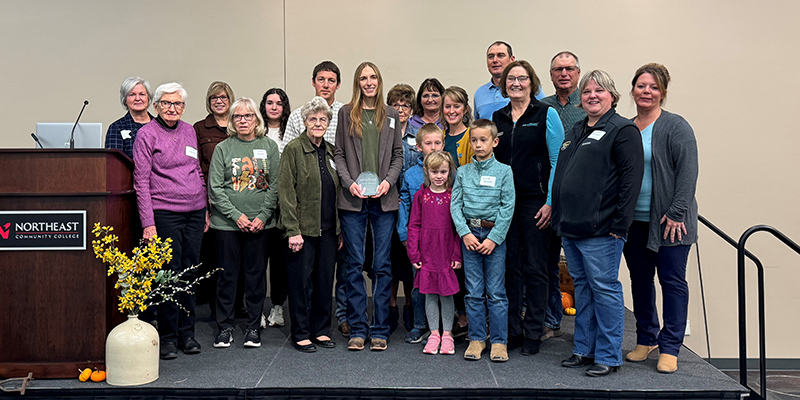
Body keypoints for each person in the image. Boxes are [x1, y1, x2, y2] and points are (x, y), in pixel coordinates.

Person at [552, 70, 644, 377]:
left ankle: (607, 355)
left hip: (603, 230)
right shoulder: (577, 129)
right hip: (572, 227)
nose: (592, 95)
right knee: (584, 290)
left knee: (604, 290)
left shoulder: (622, 130)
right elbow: (564, 175)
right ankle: (584, 349)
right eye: (588, 91)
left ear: (613, 96)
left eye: (599, 91)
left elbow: (631, 182)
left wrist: (620, 224)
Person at [623, 63, 698, 374]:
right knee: (640, 281)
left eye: (653, 87)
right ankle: (646, 338)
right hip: (633, 222)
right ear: (633, 90)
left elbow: (688, 172)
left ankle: (670, 346)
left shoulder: (676, 127)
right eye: (641, 86)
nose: (646, 92)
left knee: (672, 281)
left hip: (671, 222)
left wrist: (676, 211)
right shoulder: (626, 128)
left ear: (663, 93)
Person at [492, 60, 565, 356]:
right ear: (504, 84)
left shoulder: (547, 114)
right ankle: (513, 331)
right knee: (510, 267)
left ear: (532, 83)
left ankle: (534, 330)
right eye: (511, 79)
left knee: (536, 267)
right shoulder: (498, 117)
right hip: (504, 202)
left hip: (536, 201)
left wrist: (550, 202)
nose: (516, 83)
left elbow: (558, 163)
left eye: (522, 78)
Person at [133, 82, 206, 360]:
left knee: (189, 272)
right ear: (156, 106)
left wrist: (205, 206)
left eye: (177, 104)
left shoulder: (189, 130)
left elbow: (196, 169)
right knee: (168, 274)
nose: (172, 108)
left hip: (195, 211)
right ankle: (168, 338)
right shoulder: (146, 134)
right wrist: (147, 222)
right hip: (164, 213)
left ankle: (188, 333)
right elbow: (140, 180)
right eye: (166, 103)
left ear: (184, 107)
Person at [334, 61, 403, 351]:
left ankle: (380, 329)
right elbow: (338, 154)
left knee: (382, 265)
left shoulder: (391, 115)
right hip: (353, 200)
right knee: (353, 265)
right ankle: (358, 329)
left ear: (379, 80)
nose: (368, 82)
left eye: (373, 77)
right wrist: (349, 182)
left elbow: (398, 154)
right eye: (363, 78)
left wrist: (388, 181)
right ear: (357, 82)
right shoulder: (345, 113)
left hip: (384, 201)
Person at [278, 61, 349, 337]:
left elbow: (338, 190)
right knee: (299, 283)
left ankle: (321, 329)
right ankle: (301, 332)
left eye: (323, 120)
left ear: (328, 123)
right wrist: (292, 230)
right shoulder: (294, 150)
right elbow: (285, 192)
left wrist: (340, 229)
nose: (318, 124)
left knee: (323, 282)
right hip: (302, 231)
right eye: (312, 120)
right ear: (304, 122)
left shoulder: (331, 151)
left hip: (329, 231)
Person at [208, 97, 280, 349]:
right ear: (231, 120)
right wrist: (236, 216)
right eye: (237, 116)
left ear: (256, 120)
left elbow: (275, 186)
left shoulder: (269, 146)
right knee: (227, 278)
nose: (242, 121)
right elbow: (215, 189)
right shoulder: (223, 148)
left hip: (261, 226)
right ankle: (225, 327)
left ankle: (252, 327)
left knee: (256, 277)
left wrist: (261, 217)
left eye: (247, 116)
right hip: (227, 225)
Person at [451, 119, 515, 362]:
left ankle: (499, 342)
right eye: (474, 140)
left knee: (496, 291)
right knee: (473, 291)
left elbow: (508, 207)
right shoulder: (463, 172)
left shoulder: (504, 172)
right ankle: (477, 339)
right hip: (469, 237)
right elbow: (455, 204)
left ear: (494, 142)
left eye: (483, 140)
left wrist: (495, 238)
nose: (478, 145)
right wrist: (464, 233)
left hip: (493, 238)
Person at [538, 51, 586, 342]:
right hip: (549, 193)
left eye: (569, 69)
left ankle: (586, 331)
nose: (564, 74)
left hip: (581, 196)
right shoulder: (543, 107)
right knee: (547, 260)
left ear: (578, 73)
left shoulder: (589, 104)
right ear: (551, 75)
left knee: (582, 267)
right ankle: (550, 318)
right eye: (558, 70)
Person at [407, 151, 461, 355]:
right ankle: (434, 334)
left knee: (446, 295)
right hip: (427, 253)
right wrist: (414, 253)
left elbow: (458, 228)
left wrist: (457, 255)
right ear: (426, 172)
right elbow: (414, 225)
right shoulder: (421, 196)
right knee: (429, 294)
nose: (439, 176)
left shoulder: (453, 196)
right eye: (435, 172)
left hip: (446, 253)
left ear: (450, 172)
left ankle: (447, 335)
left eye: (443, 172)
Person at [398, 124, 445, 344]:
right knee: (419, 283)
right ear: (418, 146)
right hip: (418, 239)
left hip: (443, 239)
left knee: (443, 282)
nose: (433, 147)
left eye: (437, 143)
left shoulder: (449, 171)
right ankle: (420, 324)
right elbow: (404, 206)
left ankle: (442, 327)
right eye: (428, 143)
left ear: (443, 144)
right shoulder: (410, 174)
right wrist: (405, 236)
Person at [193, 81, 235, 319]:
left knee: (235, 257)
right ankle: (214, 307)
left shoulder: (238, 125)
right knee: (213, 258)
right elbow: (197, 167)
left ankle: (235, 305)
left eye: (223, 97)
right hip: (211, 200)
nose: (219, 101)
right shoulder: (199, 128)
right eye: (214, 98)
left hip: (239, 200)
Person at [386, 83, 419, 333]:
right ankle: (390, 306)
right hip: (386, 203)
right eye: (396, 104)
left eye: (405, 104)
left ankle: (408, 304)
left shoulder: (418, 133)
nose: (401, 109)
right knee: (388, 258)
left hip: (412, 207)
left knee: (409, 258)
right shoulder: (383, 132)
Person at [259, 88, 292, 328]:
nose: (273, 107)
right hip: (260, 204)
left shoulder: (290, 132)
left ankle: (278, 307)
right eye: (269, 103)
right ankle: (257, 310)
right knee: (258, 260)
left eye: (278, 103)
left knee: (280, 261)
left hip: (284, 205)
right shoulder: (255, 131)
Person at [280, 61, 343, 152]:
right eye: (321, 79)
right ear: (313, 82)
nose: (326, 85)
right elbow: (286, 153)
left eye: (331, 81)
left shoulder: (345, 114)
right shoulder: (297, 116)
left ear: (338, 85)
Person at [474, 41, 544, 121]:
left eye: (500, 55)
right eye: (491, 57)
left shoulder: (527, 88)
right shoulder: (479, 93)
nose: (495, 60)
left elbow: (542, 115)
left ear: (512, 59)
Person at [106, 77, 153, 160]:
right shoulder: (116, 128)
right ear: (125, 100)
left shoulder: (160, 125)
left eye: (142, 94)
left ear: (148, 98)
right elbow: (113, 163)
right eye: (132, 95)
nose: (138, 99)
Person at [442, 86, 475, 167]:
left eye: (456, 106)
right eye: (447, 106)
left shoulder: (473, 136)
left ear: (465, 109)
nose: (451, 111)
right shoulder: (439, 136)